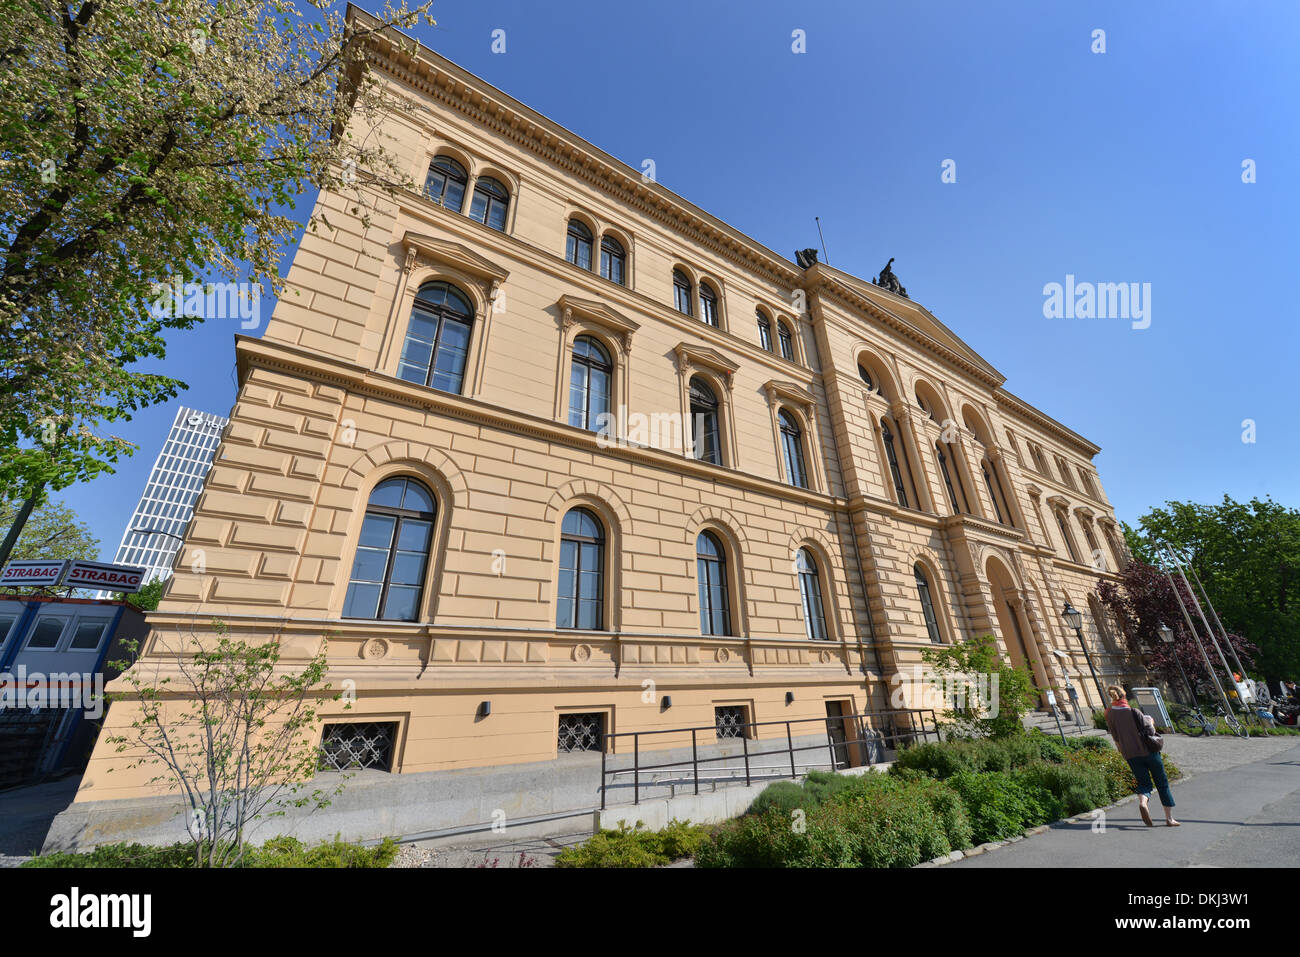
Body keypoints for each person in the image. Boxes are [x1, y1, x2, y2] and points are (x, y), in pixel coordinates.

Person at [1104, 685, 1179, 827]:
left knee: (1144, 784)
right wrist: (1150, 722)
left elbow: (1115, 737)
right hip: (1149, 752)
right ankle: (1169, 819)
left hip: (1131, 755)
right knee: (1162, 784)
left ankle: (1143, 802)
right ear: (1124, 696)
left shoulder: (1109, 714)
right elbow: (1150, 731)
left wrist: (1123, 752)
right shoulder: (1133, 711)